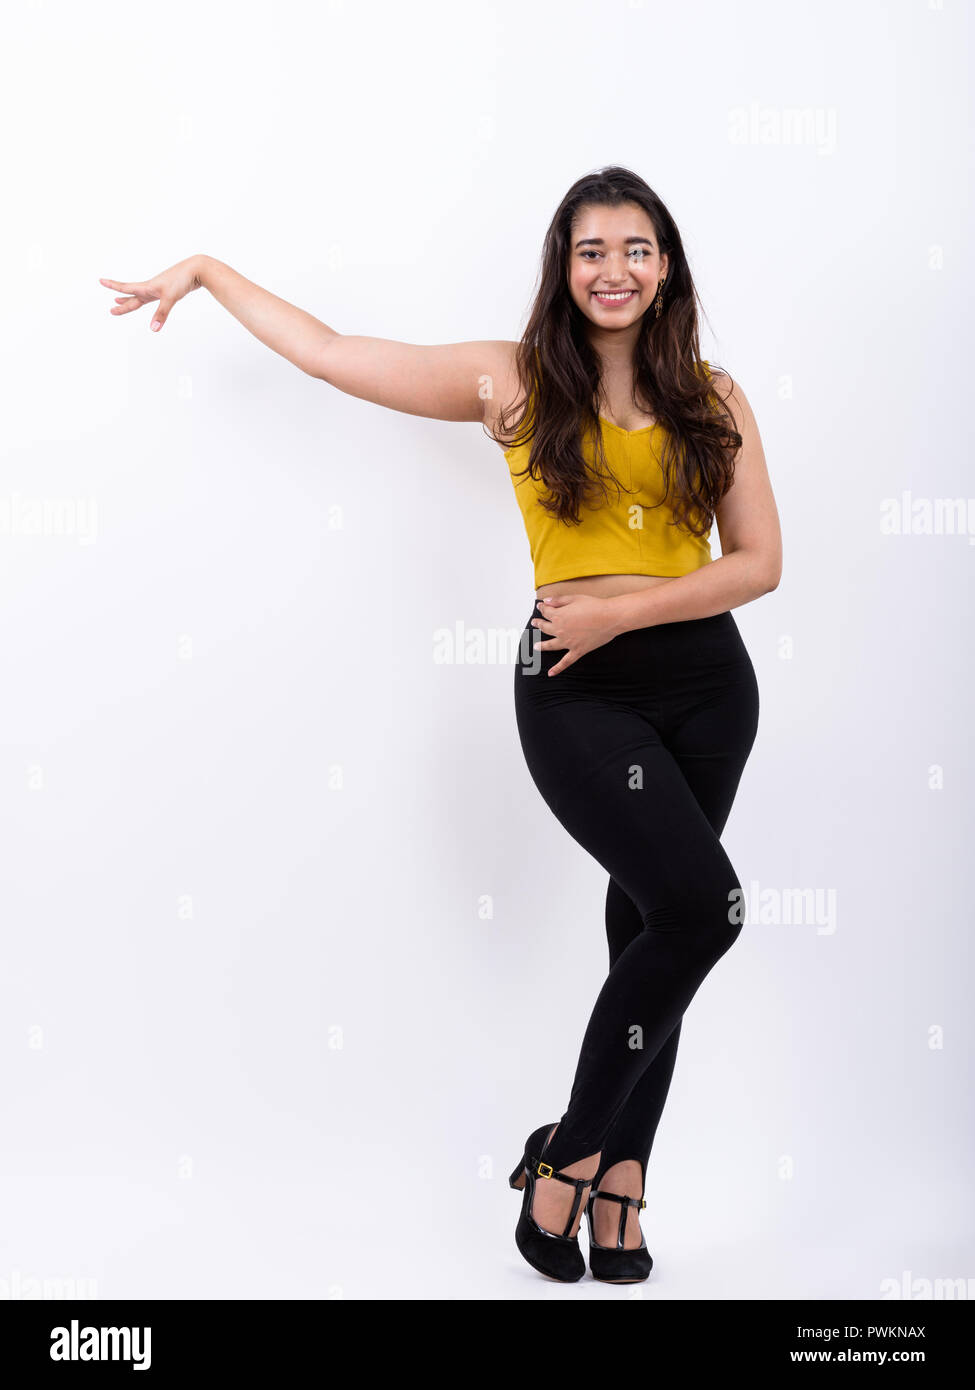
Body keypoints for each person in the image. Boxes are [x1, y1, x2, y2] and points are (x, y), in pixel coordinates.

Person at [100, 163, 781, 1287]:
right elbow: (330, 352)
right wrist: (214, 273)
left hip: (709, 685)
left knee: (660, 933)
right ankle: (564, 1160)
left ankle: (622, 1186)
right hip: (578, 683)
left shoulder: (716, 395)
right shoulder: (509, 381)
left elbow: (759, 563)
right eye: (591, 251)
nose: (614, 269)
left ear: (666, 271)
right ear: (564, 272)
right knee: (705, 907)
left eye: (635, 250)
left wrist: (633, 607)